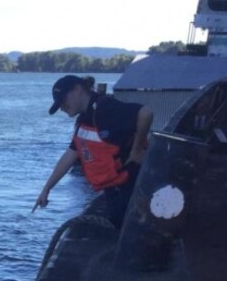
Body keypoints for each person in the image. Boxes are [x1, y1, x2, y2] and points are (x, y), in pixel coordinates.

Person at [34, 75, 153, 227]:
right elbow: (70, 155)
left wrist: (136, 150)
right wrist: (47, 189)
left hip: (130, 189)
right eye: (59, 105)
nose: (62, 108)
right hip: (115, 191)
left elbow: (146, 113)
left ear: (78, 90)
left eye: (63, 101)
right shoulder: (84, 119)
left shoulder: (105, 109)